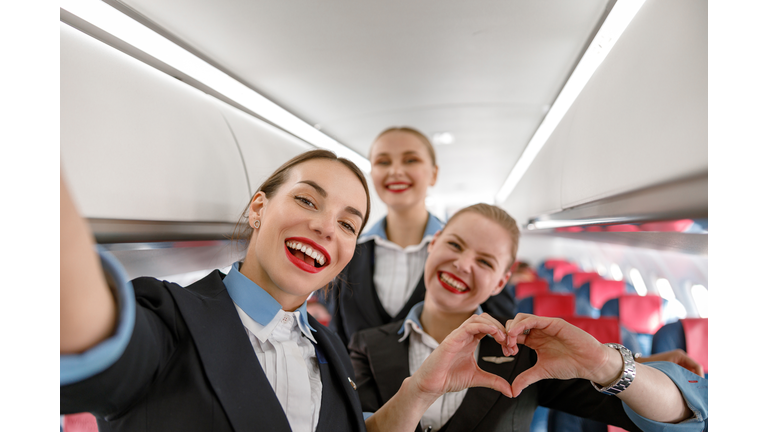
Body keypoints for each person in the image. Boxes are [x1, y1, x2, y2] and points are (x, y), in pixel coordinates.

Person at [60, 150, 521, 432]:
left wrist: (420, 390)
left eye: (347, 224)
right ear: (258, 207)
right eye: (306, 200)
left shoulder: (329, 349)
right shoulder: (169, 316)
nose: (325, 226)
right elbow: (83, 326)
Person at [348, 204, 708, 432]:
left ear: (502, 281)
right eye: (454, 245)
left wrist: (603, 361)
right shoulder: (366, 343)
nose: (462, 264)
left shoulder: (523, 352)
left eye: (485, 262)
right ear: (433, 243)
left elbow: (683, 420)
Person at [322, 127, 516, 347]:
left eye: (410, 160)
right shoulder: (347, 251)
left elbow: (500, 334)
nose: (395, 171)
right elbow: (336, 336)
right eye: (383, 162)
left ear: (433, 174)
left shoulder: (469, 259)